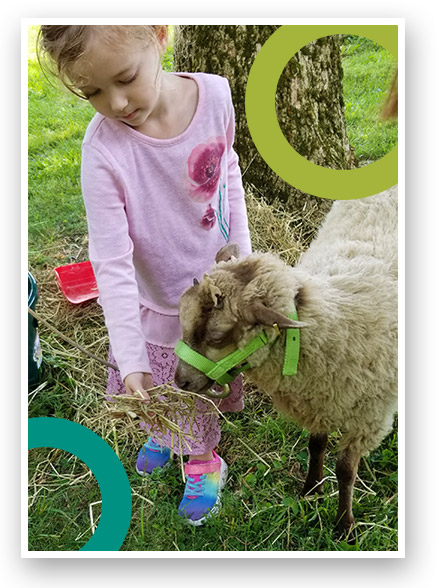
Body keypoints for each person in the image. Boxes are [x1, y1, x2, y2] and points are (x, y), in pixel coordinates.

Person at [37, 25, 252, 526]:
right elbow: (110, 261)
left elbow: (229, 171)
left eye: (126, 78)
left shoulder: (216, 94)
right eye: (91, 92)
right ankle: (163, 431)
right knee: (156, 381)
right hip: (155, 299)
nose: (115, 103)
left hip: (212, 299)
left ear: (158, 36)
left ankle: (202, 460)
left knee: (197, 387)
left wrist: (243, 258)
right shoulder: (104, 151)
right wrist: (129, 356)